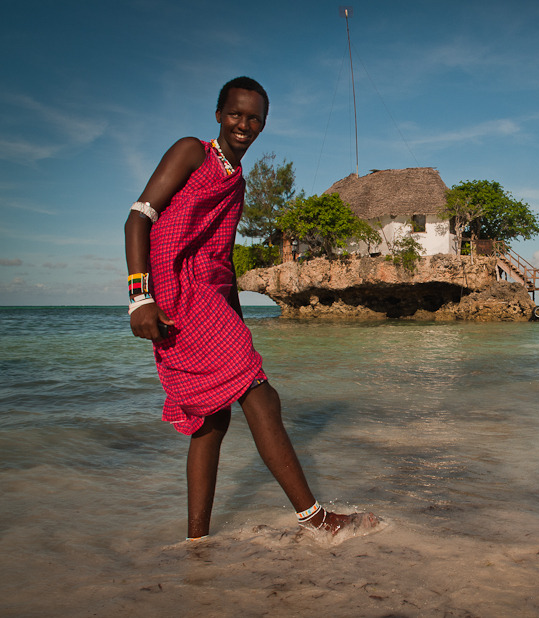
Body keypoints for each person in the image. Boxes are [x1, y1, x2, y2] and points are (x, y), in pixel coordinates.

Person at [124, 76, 377, 541]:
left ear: (264, 124)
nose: (244, 124)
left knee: (213, 417)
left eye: (254, 117)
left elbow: (219, 260)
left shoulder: (236, 183)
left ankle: (196, 542)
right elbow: (139, 216)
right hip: (175, 294)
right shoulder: (192, 152)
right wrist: (139, 298)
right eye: (236, 114)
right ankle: (316, 521)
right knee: (261, 396)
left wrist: (238, 325)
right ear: (219, 114)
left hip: (209, 296)